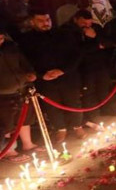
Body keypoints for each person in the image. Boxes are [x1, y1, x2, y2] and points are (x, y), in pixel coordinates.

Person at [18, 10, 86, 143]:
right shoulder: (26, 39)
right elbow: (25, 61)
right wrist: (41, 75)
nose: (45, 23)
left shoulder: (63, 34)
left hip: (67, 76)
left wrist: (62, 70)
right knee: (52, 106)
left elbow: (76, 54)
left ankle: (78, 126)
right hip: (45, 80)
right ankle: (61, 129)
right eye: (41, 21)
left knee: (73, 102)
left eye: (47, 20)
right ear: (32, 22)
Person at [60, 10, 113, 129]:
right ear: (75, 19)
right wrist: (96, 45)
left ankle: (103, 111)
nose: (87, 26)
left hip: (100, 64)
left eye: (89, 23)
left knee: (103, 87)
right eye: (84, 23)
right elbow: (77, 50)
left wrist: (95, 37)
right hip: (82, 67)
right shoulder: (67, 31)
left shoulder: (96, 28)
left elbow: (107, 42)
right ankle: (91, 117)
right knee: (88, 92)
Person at [0, 28, 40, 163]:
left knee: (24, 118)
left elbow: (23, 62)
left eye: (1, 38)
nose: (0, 41)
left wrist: (30, 72)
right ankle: (9, 151)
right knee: (7, 125)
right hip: (3, 94)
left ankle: (28, 144)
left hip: (21, 87)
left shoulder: (10, 47)